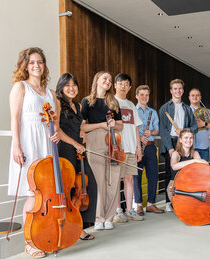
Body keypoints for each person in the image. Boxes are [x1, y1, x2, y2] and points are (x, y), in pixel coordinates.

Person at [8, 47, 60, 258]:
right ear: (25, 66)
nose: (36, 65)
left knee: (46, 194)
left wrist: (55, 132)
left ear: (44, 65)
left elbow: (55, 122)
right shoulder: (20, 87)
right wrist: (16, 145)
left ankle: (46, 238)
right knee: (32, 194)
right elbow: (14, 118)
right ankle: (30, 243)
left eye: (39, 62)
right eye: (31, 62)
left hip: (46, 145)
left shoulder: (51, 93)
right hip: (29, 144)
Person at [55, 73, 97, 240]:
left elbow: (80, 124)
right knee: (70, 190)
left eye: (74, 85)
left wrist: (81, 132)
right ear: (61, 88)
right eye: (67, 85)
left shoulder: (77, 105)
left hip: (79, 150)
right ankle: (71, 229)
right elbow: (57, 130)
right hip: (65, 149)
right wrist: (75, 143)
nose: (71, 88)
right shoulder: (58, 103)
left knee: (88, 185)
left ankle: (79, 226)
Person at [81, 71, 123, 231]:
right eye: (105, 78)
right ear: (97, 80)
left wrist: (114, 124)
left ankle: (109, 217)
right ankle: (98, 218)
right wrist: (100, 125)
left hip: (113, 143)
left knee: (112, 182)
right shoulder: (87, 102)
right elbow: (83, 127)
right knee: (98, 182)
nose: (108, 81)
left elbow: (121, 125)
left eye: (110, 80)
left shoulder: (113, 102)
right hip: (95, 142)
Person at [159, 79, 197, 211]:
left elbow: (195, 127)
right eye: (175, 88)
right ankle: (169, 202)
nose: (178, 91)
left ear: (183, 90)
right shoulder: (164, 108)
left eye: (180, 88)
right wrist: (170, 147)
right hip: (171, 142)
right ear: (171, 91)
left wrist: (185, 130)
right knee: (170, 174)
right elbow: (163, 130)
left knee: (185, 173)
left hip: (185, 142)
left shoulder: (187, 108)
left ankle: (183, 200)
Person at [112, 73, 144, 222]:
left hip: (131, 148)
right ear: (115, 85)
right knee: (118, 179)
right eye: (120, 83)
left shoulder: (131, 105)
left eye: (126, 84)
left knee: (130, 178)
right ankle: (118, 210)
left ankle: (130, 209)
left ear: (130, 87)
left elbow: (136, 128)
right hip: (118, 148)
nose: (123, 86)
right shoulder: (111, 102)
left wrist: (139, 148)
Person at [134, 85, 164, 214]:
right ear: (136, 96)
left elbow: (157, 129)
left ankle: (151, 204)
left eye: (146, 95)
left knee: (153, 176)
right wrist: (139, 137)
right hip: (137, 147)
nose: (144, 97)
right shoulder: (133, 111)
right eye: (142, 94)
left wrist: (150, 132)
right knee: (137, 177)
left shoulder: (153, 112)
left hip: (151, 147)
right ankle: (139, 205)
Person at [168, 129, 208, 202]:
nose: (189, 140)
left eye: (191, 138)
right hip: (176, 187)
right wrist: (194, 161)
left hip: (190, 186)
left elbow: (202, 168)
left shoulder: (195, 153)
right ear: (180, 140)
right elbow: (174, 167)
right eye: (186, 138)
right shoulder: (175, 153)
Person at [188, 88, 210, 161]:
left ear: (200, 97)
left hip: (203, 147)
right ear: (189, 97)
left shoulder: (207, 112)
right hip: (188, 147)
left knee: (203, 171)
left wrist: (204, 124)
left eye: (197, 95)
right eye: (193, 95)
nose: (195, 97)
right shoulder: (184, 111)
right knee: (190, 171)